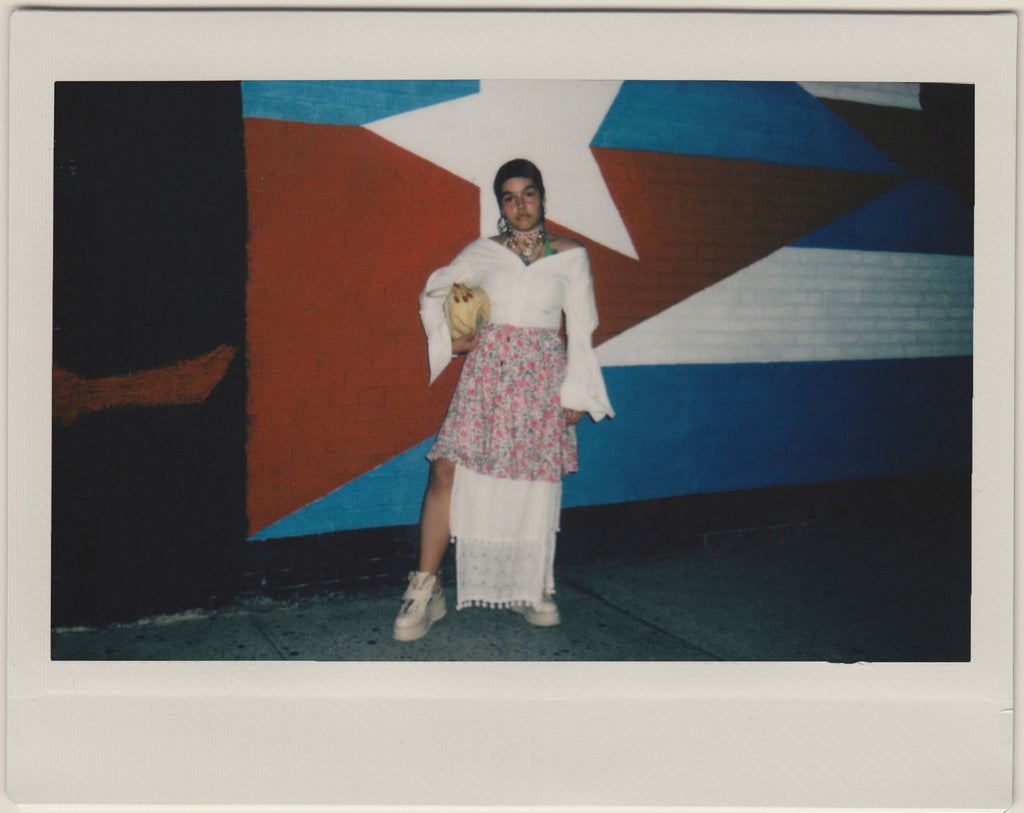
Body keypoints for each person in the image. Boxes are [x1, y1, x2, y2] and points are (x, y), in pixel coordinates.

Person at [393, 158, 615, 642]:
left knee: (532, 478)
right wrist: (448, 343)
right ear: (501, 205)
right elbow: (434, 291)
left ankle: (530, 588)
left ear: (542, 197)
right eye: (509, 197)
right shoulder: (485, 252)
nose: (520, 205)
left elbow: (581, 327)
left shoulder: (572, 254)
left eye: (528, 194)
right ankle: (425, 588)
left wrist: (576, 388)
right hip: (487, 374)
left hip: (541, 374)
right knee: (446, 467)